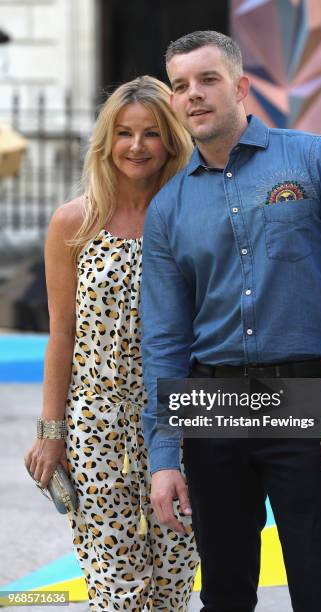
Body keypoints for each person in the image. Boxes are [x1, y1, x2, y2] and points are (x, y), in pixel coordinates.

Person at [140, 31, 321, 612]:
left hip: (306, 395)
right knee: (225, 592)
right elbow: (163, 338)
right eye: (180, 86)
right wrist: (163, 458)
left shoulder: (314, 159)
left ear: (241, 86)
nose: (194, 96)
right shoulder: (169, 207)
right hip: (210, 401)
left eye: (207, 80)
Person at [24, 76, 199, 612]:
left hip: (182, 423)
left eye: (151, 133)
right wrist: (51, 434)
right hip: (95, 426)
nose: (137, 146)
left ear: (171, 139)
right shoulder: (73, 222)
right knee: (116, 590)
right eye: (124, 133)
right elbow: (62, 334)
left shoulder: (194, 216)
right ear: (106, 141)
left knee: (171, 584)